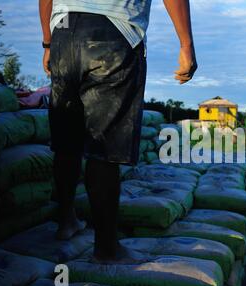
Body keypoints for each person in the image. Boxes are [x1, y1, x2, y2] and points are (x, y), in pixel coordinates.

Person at [39, 0, 197, 263]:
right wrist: (186, 45)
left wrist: (48, 43)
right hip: (113, 31)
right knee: (104, 144)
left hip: (63, 32)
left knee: (67, 138)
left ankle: (66, 222)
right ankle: (106, 249)